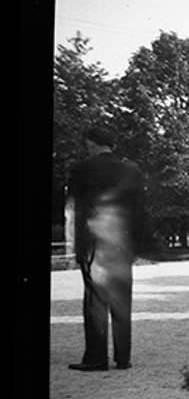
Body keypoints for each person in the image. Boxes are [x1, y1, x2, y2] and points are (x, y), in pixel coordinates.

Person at [65, 125, 146, 372]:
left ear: (91, 144)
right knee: (122, 300)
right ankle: (123, 358)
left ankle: (97, 358)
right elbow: (140, 214)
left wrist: (74, 243)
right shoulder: (132, 172)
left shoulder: (82, 169)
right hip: (122, 244)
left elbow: (72, 208)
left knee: (96, 301)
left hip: (94, 242)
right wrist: (135, 246)